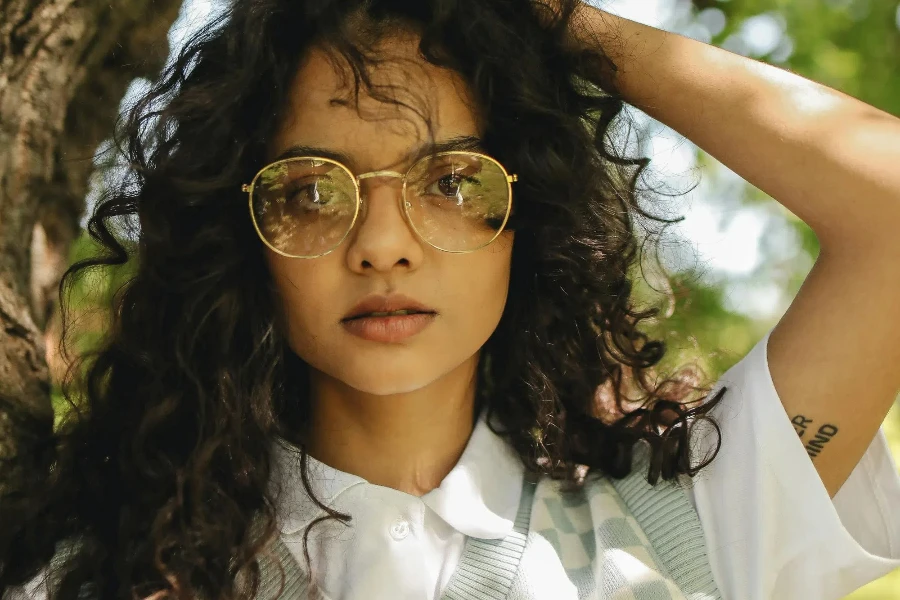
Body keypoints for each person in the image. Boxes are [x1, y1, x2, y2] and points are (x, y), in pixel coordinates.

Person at [1, 0, 899, 598]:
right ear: (240, 238)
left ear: (529, 216)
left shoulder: (691, 524)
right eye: (311, 191)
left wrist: (545, 16)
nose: (383, 244)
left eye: (452, 182)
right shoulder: (107, 577)